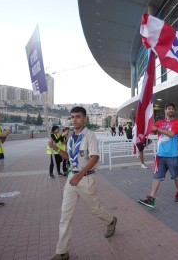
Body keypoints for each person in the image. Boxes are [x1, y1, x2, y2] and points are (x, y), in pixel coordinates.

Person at [49, 106, 117, 260]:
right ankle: (62, 251)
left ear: (84, 118)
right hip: (72, 179)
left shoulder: (89, 135)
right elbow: (69, 157)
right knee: (65, 215)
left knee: (95, 209)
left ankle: (111, 221)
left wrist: (80, 174)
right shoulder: (71, 136)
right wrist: (56, 149)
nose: (74, 120)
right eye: (72, 117)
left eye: (78, 116)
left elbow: (94, 157)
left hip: (86, 178)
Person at [137, 103, 178, 208]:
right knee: (156, 177)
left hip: (172, 156)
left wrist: (157, 129)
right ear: (165, 111)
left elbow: (171, 134)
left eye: (172, 109)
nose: (170, 110)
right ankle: (152, 199)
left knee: (176, 176)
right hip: (160, 156)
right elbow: (149, 129)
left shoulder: (177, 122)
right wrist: (142, 122)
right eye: (168, 109)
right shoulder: (160, 122)